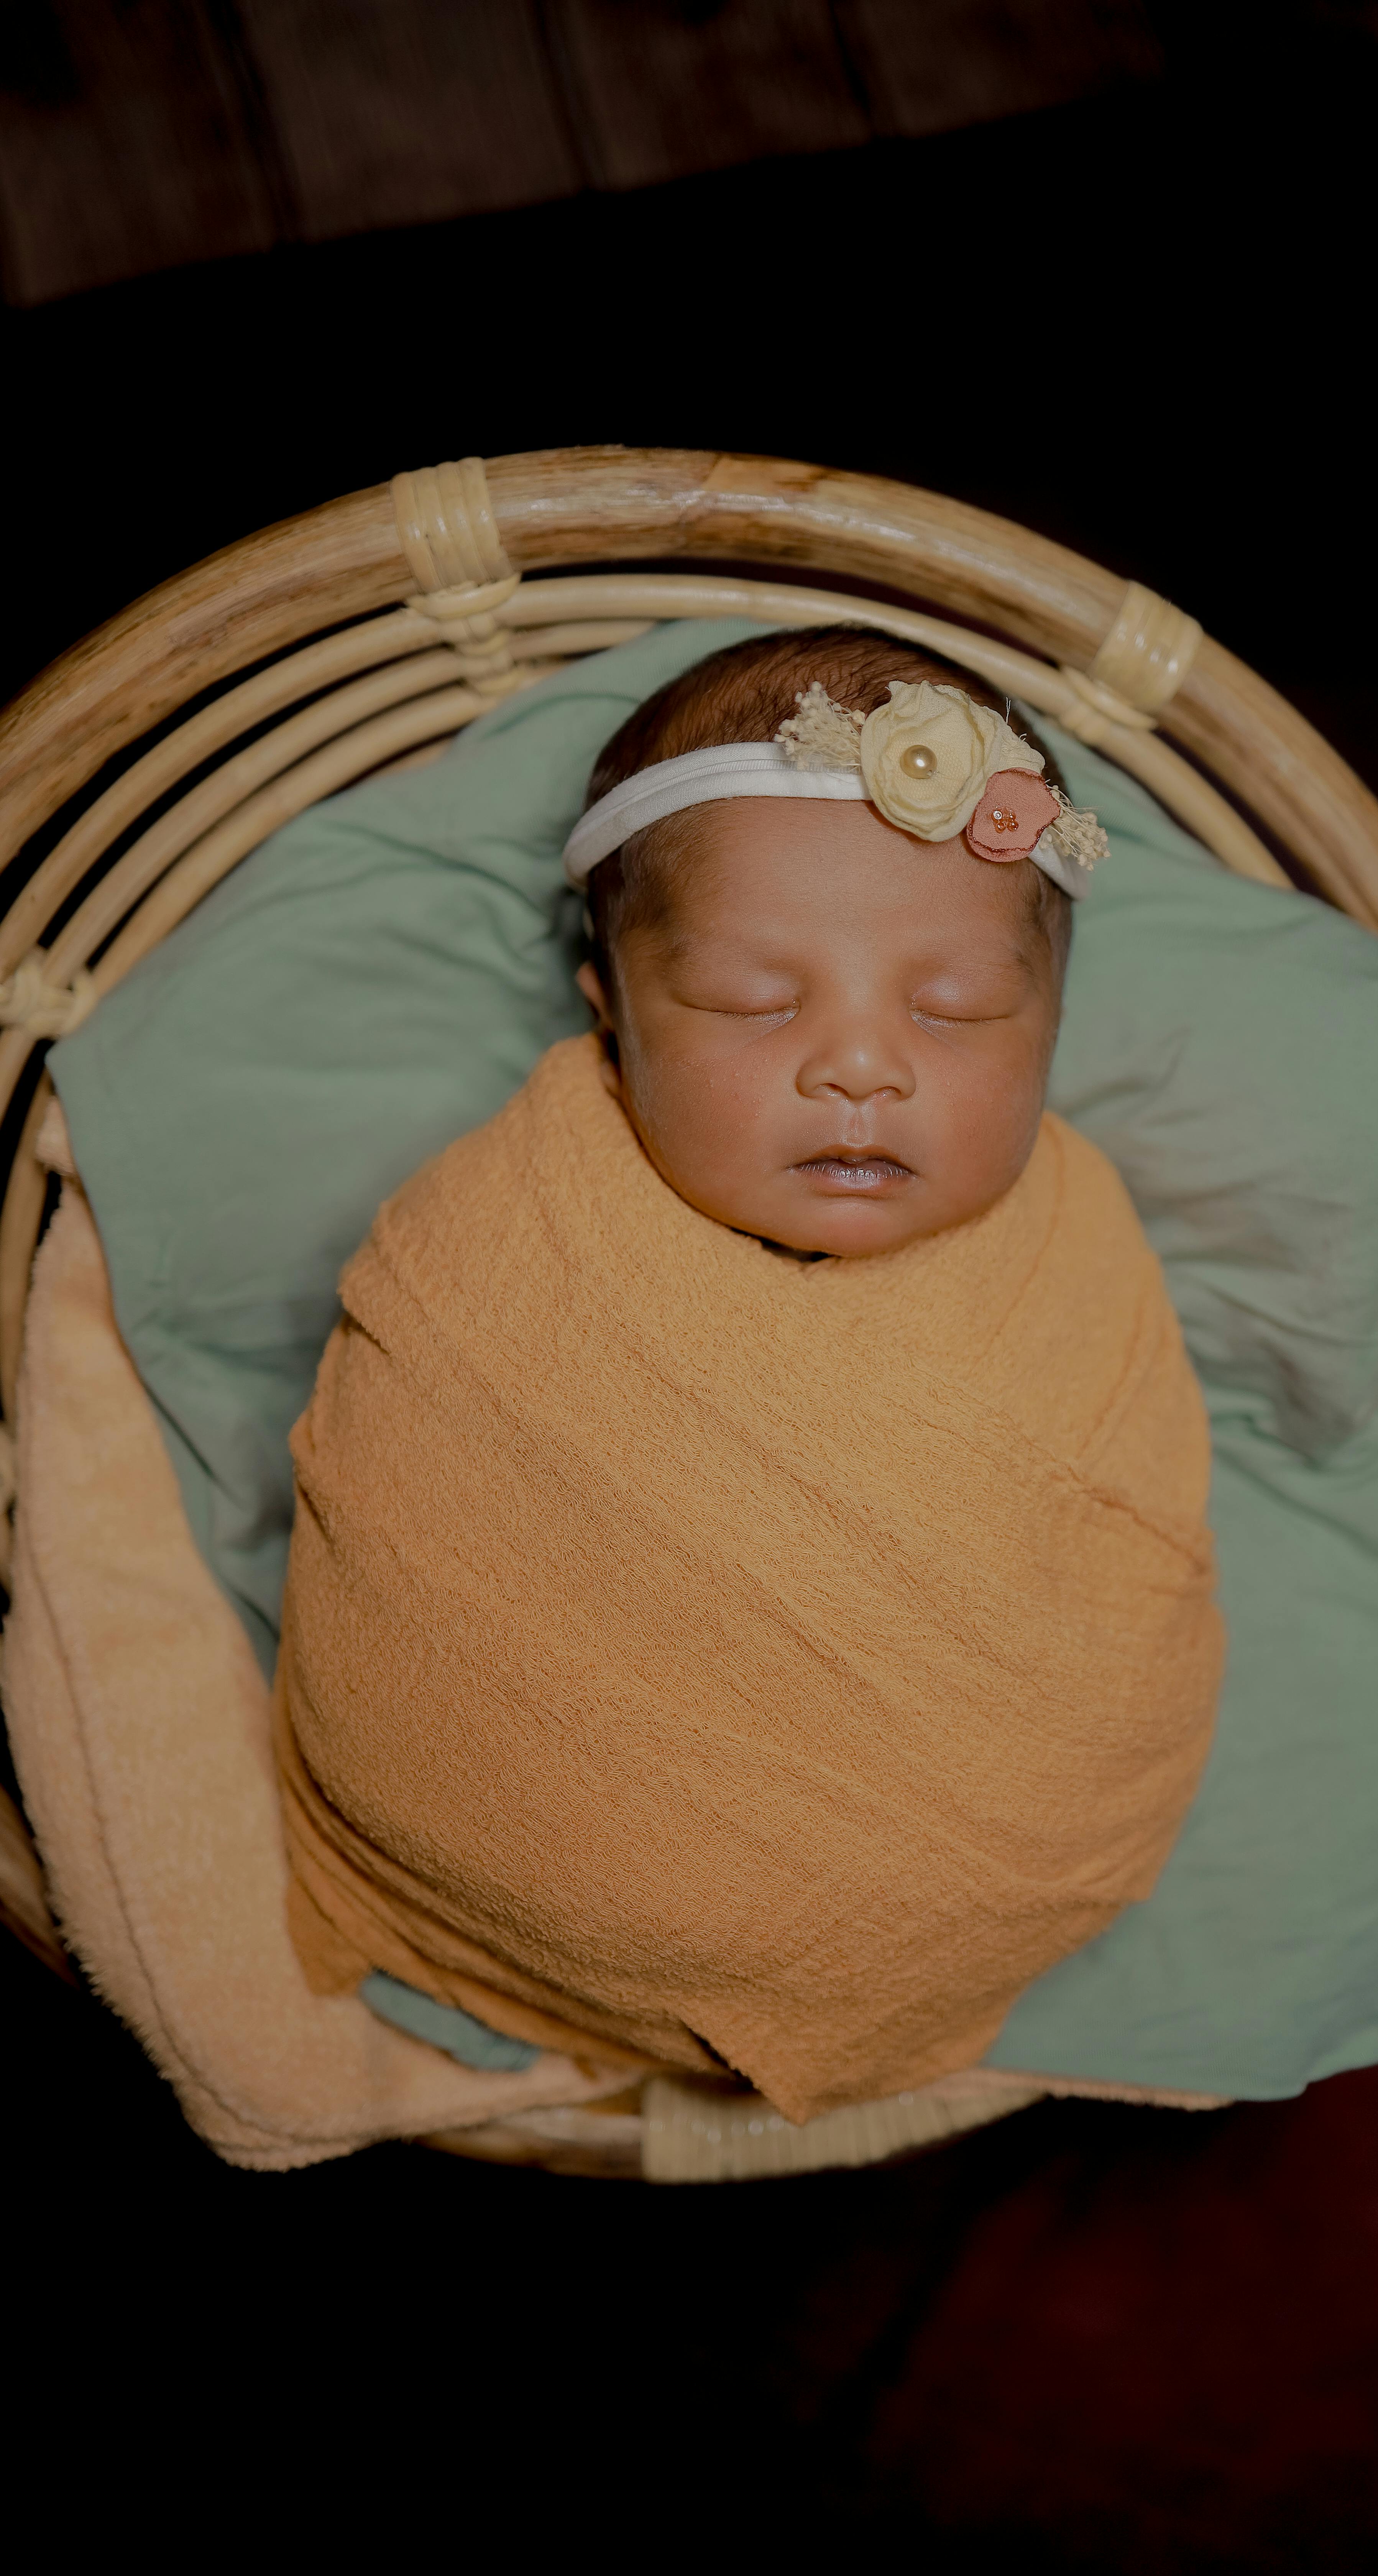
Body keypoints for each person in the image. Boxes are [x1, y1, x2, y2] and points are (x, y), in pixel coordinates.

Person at [272, 629, 1225, 2124]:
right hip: (546, 1848)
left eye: (959, 1006)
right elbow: (416, 1530)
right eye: (746, 1002)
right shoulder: (505, 1238)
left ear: (1050, 1018)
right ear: (610, 1011)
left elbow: (1132, 1568)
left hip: (986, 1857)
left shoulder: (1072, 1243)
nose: (860, 1065)